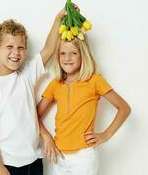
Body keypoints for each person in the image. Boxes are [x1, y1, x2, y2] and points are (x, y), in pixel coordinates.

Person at [0, 9, 66, 175]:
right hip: (7, 165)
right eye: (9, 47)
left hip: (34, 161)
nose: (16, 52)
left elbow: (48, 49)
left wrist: (58, 19)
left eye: (21, 47)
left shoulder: (26, 74)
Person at [37, 36, 132, 175]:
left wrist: (105, 135)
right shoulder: (55, 84)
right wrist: (47, 137)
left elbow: (124, 108)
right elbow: (35, 115)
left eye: (73, 53)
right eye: (62, 53)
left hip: (83, 157)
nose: (67, 58)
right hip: (57, 155)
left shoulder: (95, 80)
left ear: (83, 55)